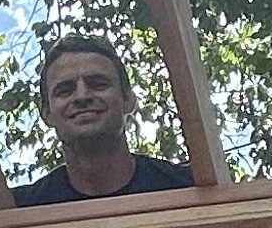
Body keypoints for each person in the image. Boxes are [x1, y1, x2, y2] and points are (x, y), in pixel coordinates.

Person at [10, 32, 196, 209]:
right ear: (46, 113)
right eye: (65, 90)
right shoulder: (17, 212)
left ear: (128, 100)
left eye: (98, 84)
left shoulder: (190, 187)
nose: (82, 96)